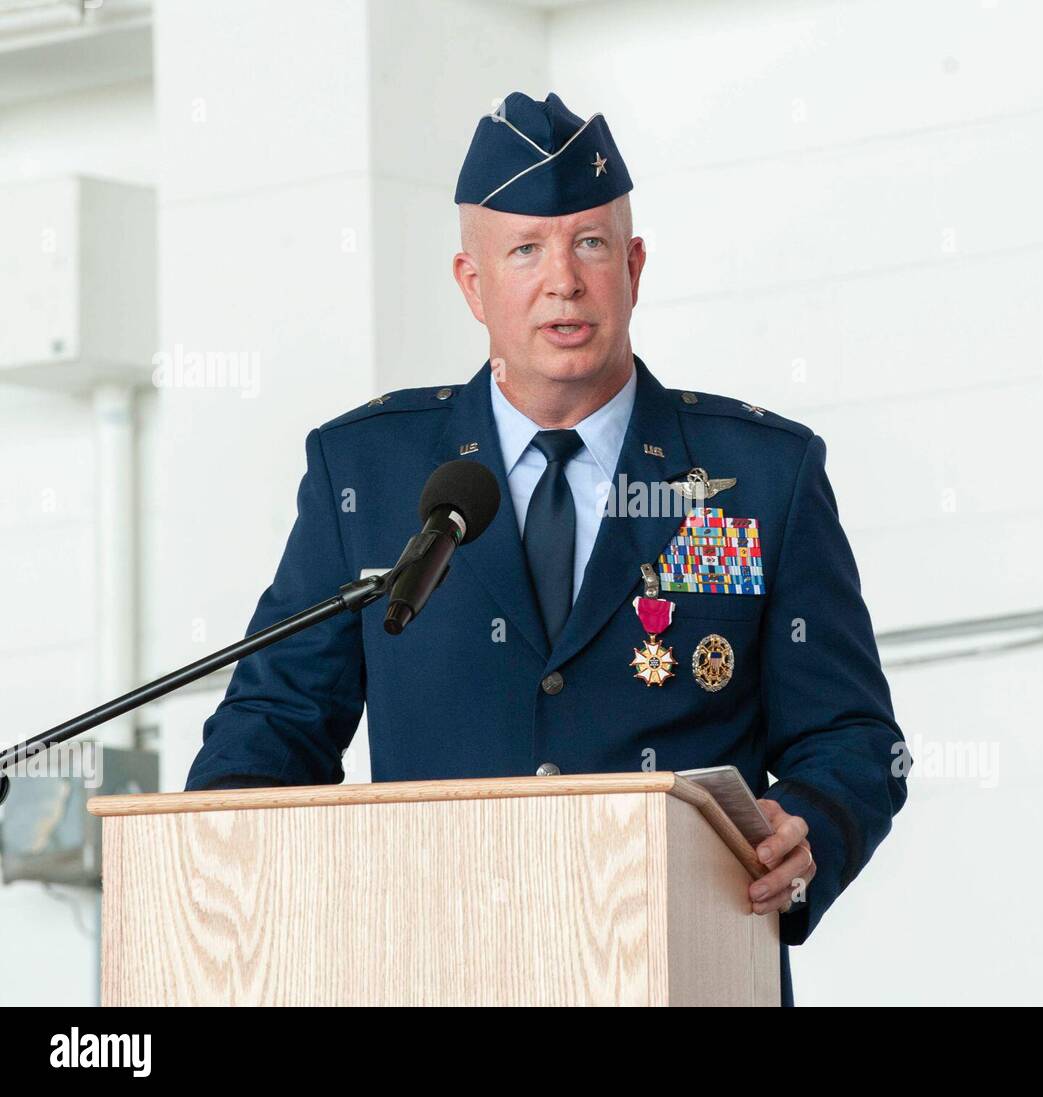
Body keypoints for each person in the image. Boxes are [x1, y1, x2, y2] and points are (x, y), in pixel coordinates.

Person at [186, 91, 908, 1007]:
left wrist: (810, 823)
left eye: (591, 243)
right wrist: (218, 868)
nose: (563, 279)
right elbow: (274, 724)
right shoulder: (365, 471)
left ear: (635, 266)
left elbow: (852, 737)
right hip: (436, 969)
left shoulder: (763, 476)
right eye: (526, 248)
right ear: (472, 283)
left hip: (684, 969)